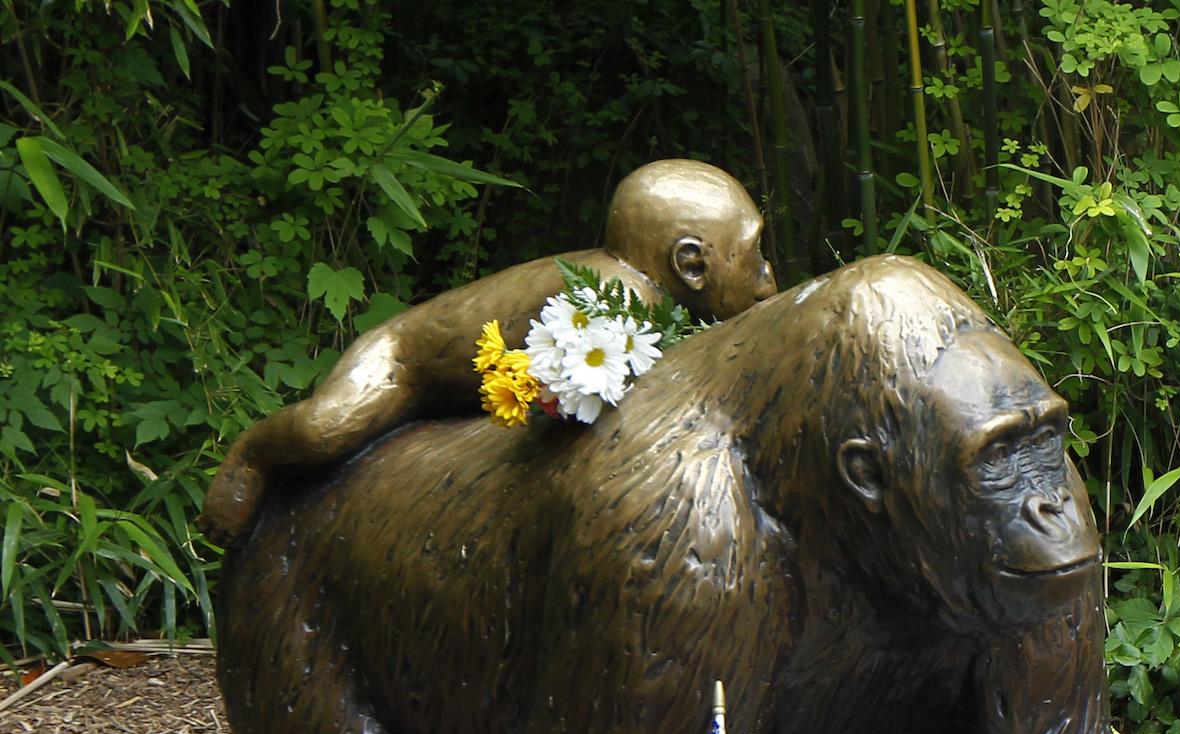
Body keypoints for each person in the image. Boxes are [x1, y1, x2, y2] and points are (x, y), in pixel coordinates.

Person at [202, 159, 778, 544]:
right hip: (400, 361)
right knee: (325, 429)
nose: (767, 272)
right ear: (692, 265)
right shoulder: (618, 300)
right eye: (753, 255)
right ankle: (251, 457)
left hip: (464, 390)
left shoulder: (646, 299)